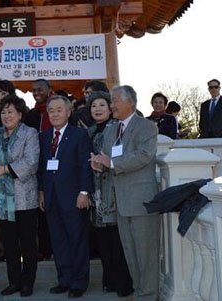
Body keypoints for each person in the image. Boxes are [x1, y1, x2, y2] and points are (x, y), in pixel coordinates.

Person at [90, 85, 160, 301]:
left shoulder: (147, 127)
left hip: (140, 200)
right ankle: (139, 292)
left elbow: (144, 156)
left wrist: (110, 162)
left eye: (114, 101)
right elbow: (106, 158)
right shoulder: (111, 129)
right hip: (119, 201)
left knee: (145, 253)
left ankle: (149, 295)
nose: (111, 105)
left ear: (130, 102)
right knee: (130, 252)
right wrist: (99, 164)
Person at [38, 95, 95, 299]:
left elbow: (85, 165)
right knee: (59, 241)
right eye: (51, 110)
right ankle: (65, 279)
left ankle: (79, 282)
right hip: (51, 198)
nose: (54, 114)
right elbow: (41, 169)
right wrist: (42, 192)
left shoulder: (79, 135)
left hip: (74, 197)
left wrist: (84, 192)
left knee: (77, 240)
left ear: (69, 112)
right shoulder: (44, 136)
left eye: (59, 110)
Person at [0, 94, 40, 297]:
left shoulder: (30, 133)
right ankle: (14, 281)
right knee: (9, 244)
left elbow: (31, 162)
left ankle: (28, 282)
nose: (6, 115)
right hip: (2, 199)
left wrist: (4, 169)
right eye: (3, 112)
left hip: (24, 197)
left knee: (27, 243)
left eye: (11, 112)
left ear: (20, 114)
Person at [86, 92, 133, 297]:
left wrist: (104, 164)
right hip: (96, 191)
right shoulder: (88, 131)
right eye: (93, 106)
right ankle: (109, 279)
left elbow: (122, 156)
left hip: (114, 188)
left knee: (118, 237)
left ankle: (123, 281)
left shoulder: (118, 128)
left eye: (101, 105)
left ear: (110, 108)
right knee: (103, 238)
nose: (97, 109)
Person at [24, 78, 53, 260]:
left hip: (58, 167)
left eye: (40, 89)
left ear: (49, 89)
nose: (36, 93)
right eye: (34, 90)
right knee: (41, 211)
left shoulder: (58, 109)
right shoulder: (32, 115)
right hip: (37, 168)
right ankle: (44, 249)